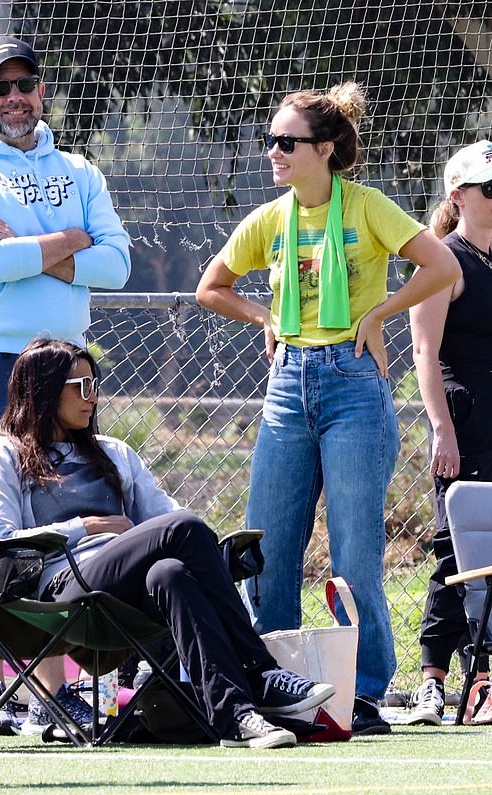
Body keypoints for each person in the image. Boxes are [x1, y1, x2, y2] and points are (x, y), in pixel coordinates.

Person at [195, 82, 461, 735]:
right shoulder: (270, 218)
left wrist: (380, 313)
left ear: (326, 149)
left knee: (354, 552)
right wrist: (264, 316)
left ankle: (363, 694)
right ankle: (274, 685)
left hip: (353, 384)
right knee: (269, 550)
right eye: (271, 142)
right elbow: (212, 287)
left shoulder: (368, 206)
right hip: (287, 387)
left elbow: (439, 265)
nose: (274, 153)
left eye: (286, 143)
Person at [0, 338, 337, 748]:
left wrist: (140, 540)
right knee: (183, 529)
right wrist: (86, 527)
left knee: (171, 572)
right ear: (43, 390)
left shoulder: (115, 453)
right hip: (62, 587)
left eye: (96, 384)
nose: (94, 398)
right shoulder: (3, 454)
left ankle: (235, 716)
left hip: (125, 589)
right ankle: (262, 670)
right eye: (82, 386)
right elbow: (0, 541)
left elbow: (164, 516)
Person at [0, 35, 131, 733]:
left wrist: (32, 245)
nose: (16, 97)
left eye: (27, 83)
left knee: (58, 513)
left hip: (63, 363)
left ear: (41, 90)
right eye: (1, 86)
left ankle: (51, 689)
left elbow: (119, 266)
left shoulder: (78, 169)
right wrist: (70, 238)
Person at [408, 140, 492, 725]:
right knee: (459, 548)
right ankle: (436, 681)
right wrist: (442, 431)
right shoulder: (443, 260)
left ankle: (482, 678)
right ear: (459, 195)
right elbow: (424, 351)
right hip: (465, 421)